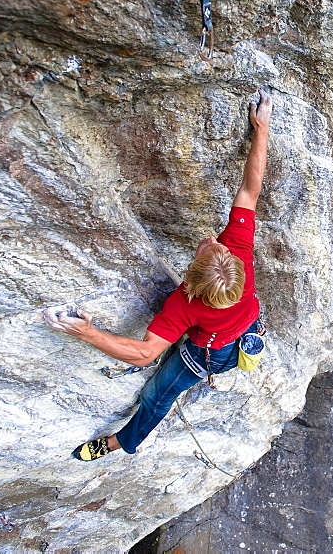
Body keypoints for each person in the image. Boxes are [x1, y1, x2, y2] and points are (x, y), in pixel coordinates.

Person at [43, 89, 273, 461]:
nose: (214, 240)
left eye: (210, 246)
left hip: (211, 352)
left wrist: (87, 332)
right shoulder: (239, 254)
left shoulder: (185, 304)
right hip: (247, 325)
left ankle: (121, 441)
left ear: (192, 277)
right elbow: (251, 189)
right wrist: (261, 130)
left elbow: (146, 355)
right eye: (218, 246)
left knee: (156, 395)